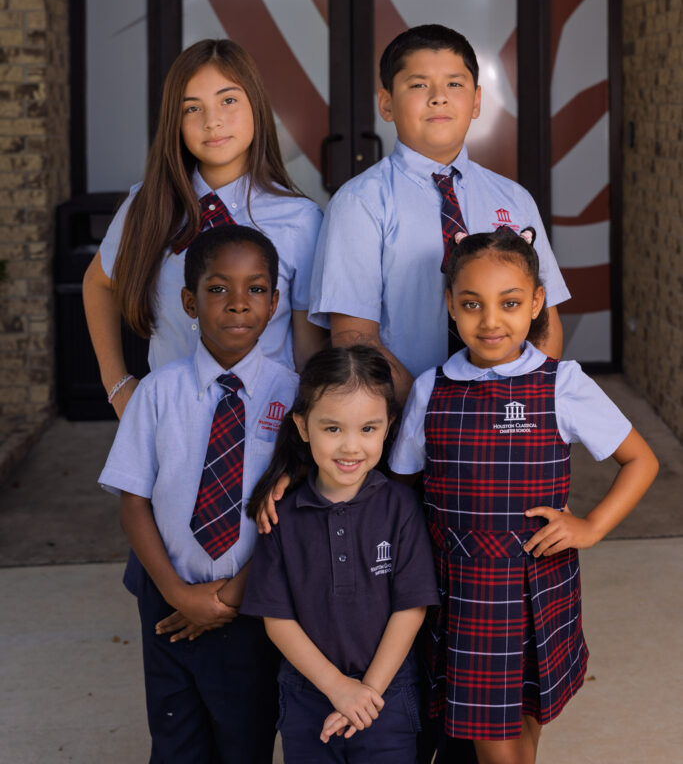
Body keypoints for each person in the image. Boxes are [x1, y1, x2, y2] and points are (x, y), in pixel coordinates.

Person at [388, 226, 659, 764]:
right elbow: (399, 487)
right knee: (494, 744)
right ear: (450, 305)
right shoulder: (430, 389)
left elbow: (641, 461)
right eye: (472, 304)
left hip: (540, 585)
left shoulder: (562, 384)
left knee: (527, 727)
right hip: (464, 595)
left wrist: (591, 526)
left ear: (536, 303)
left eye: (509, 303)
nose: (491, 321)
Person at [98, 225, 300, 764]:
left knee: (245, 742)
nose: (238, 303)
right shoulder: (156, 393)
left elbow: (297, 512)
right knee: (175, 743)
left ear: (275, 301)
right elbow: (133, 501)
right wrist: (178, 594)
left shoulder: (294, 397)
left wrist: (231, 595)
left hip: (253, 605)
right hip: (168, 601)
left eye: (256, 289)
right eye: (218, 288)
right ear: (189, 301)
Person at [308, 24, 569, 405]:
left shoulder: (515, 199)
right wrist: (434, 413)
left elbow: (545, 322)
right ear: (386, 103)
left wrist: (521, 405)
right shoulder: (359, 203)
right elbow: (355, 337)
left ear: (476, 101)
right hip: (405, 417)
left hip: (509, 414)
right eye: (418, 85)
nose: (438, 98)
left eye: (454, 84)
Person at [84, 37, 326, 421]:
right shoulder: (149, 205)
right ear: (175, 123)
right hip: (168, 422)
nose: (212, 121)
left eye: (228, 100)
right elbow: (97, 282)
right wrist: (118, 386)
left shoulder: (300, 219)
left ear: (256, 106)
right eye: (192, 108)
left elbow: (307, 351)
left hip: (265, 427)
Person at [241, 346, 440, 763]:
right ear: (303, 426)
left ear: (389, 426)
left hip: (387, 697)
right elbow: (277, 619)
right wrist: (337, 687)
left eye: (368, 428)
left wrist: (365, 693)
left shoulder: (401, 508)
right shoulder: (280, 515)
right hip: (307, 697)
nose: (351, 447)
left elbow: (411, 609)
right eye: (333, 429)